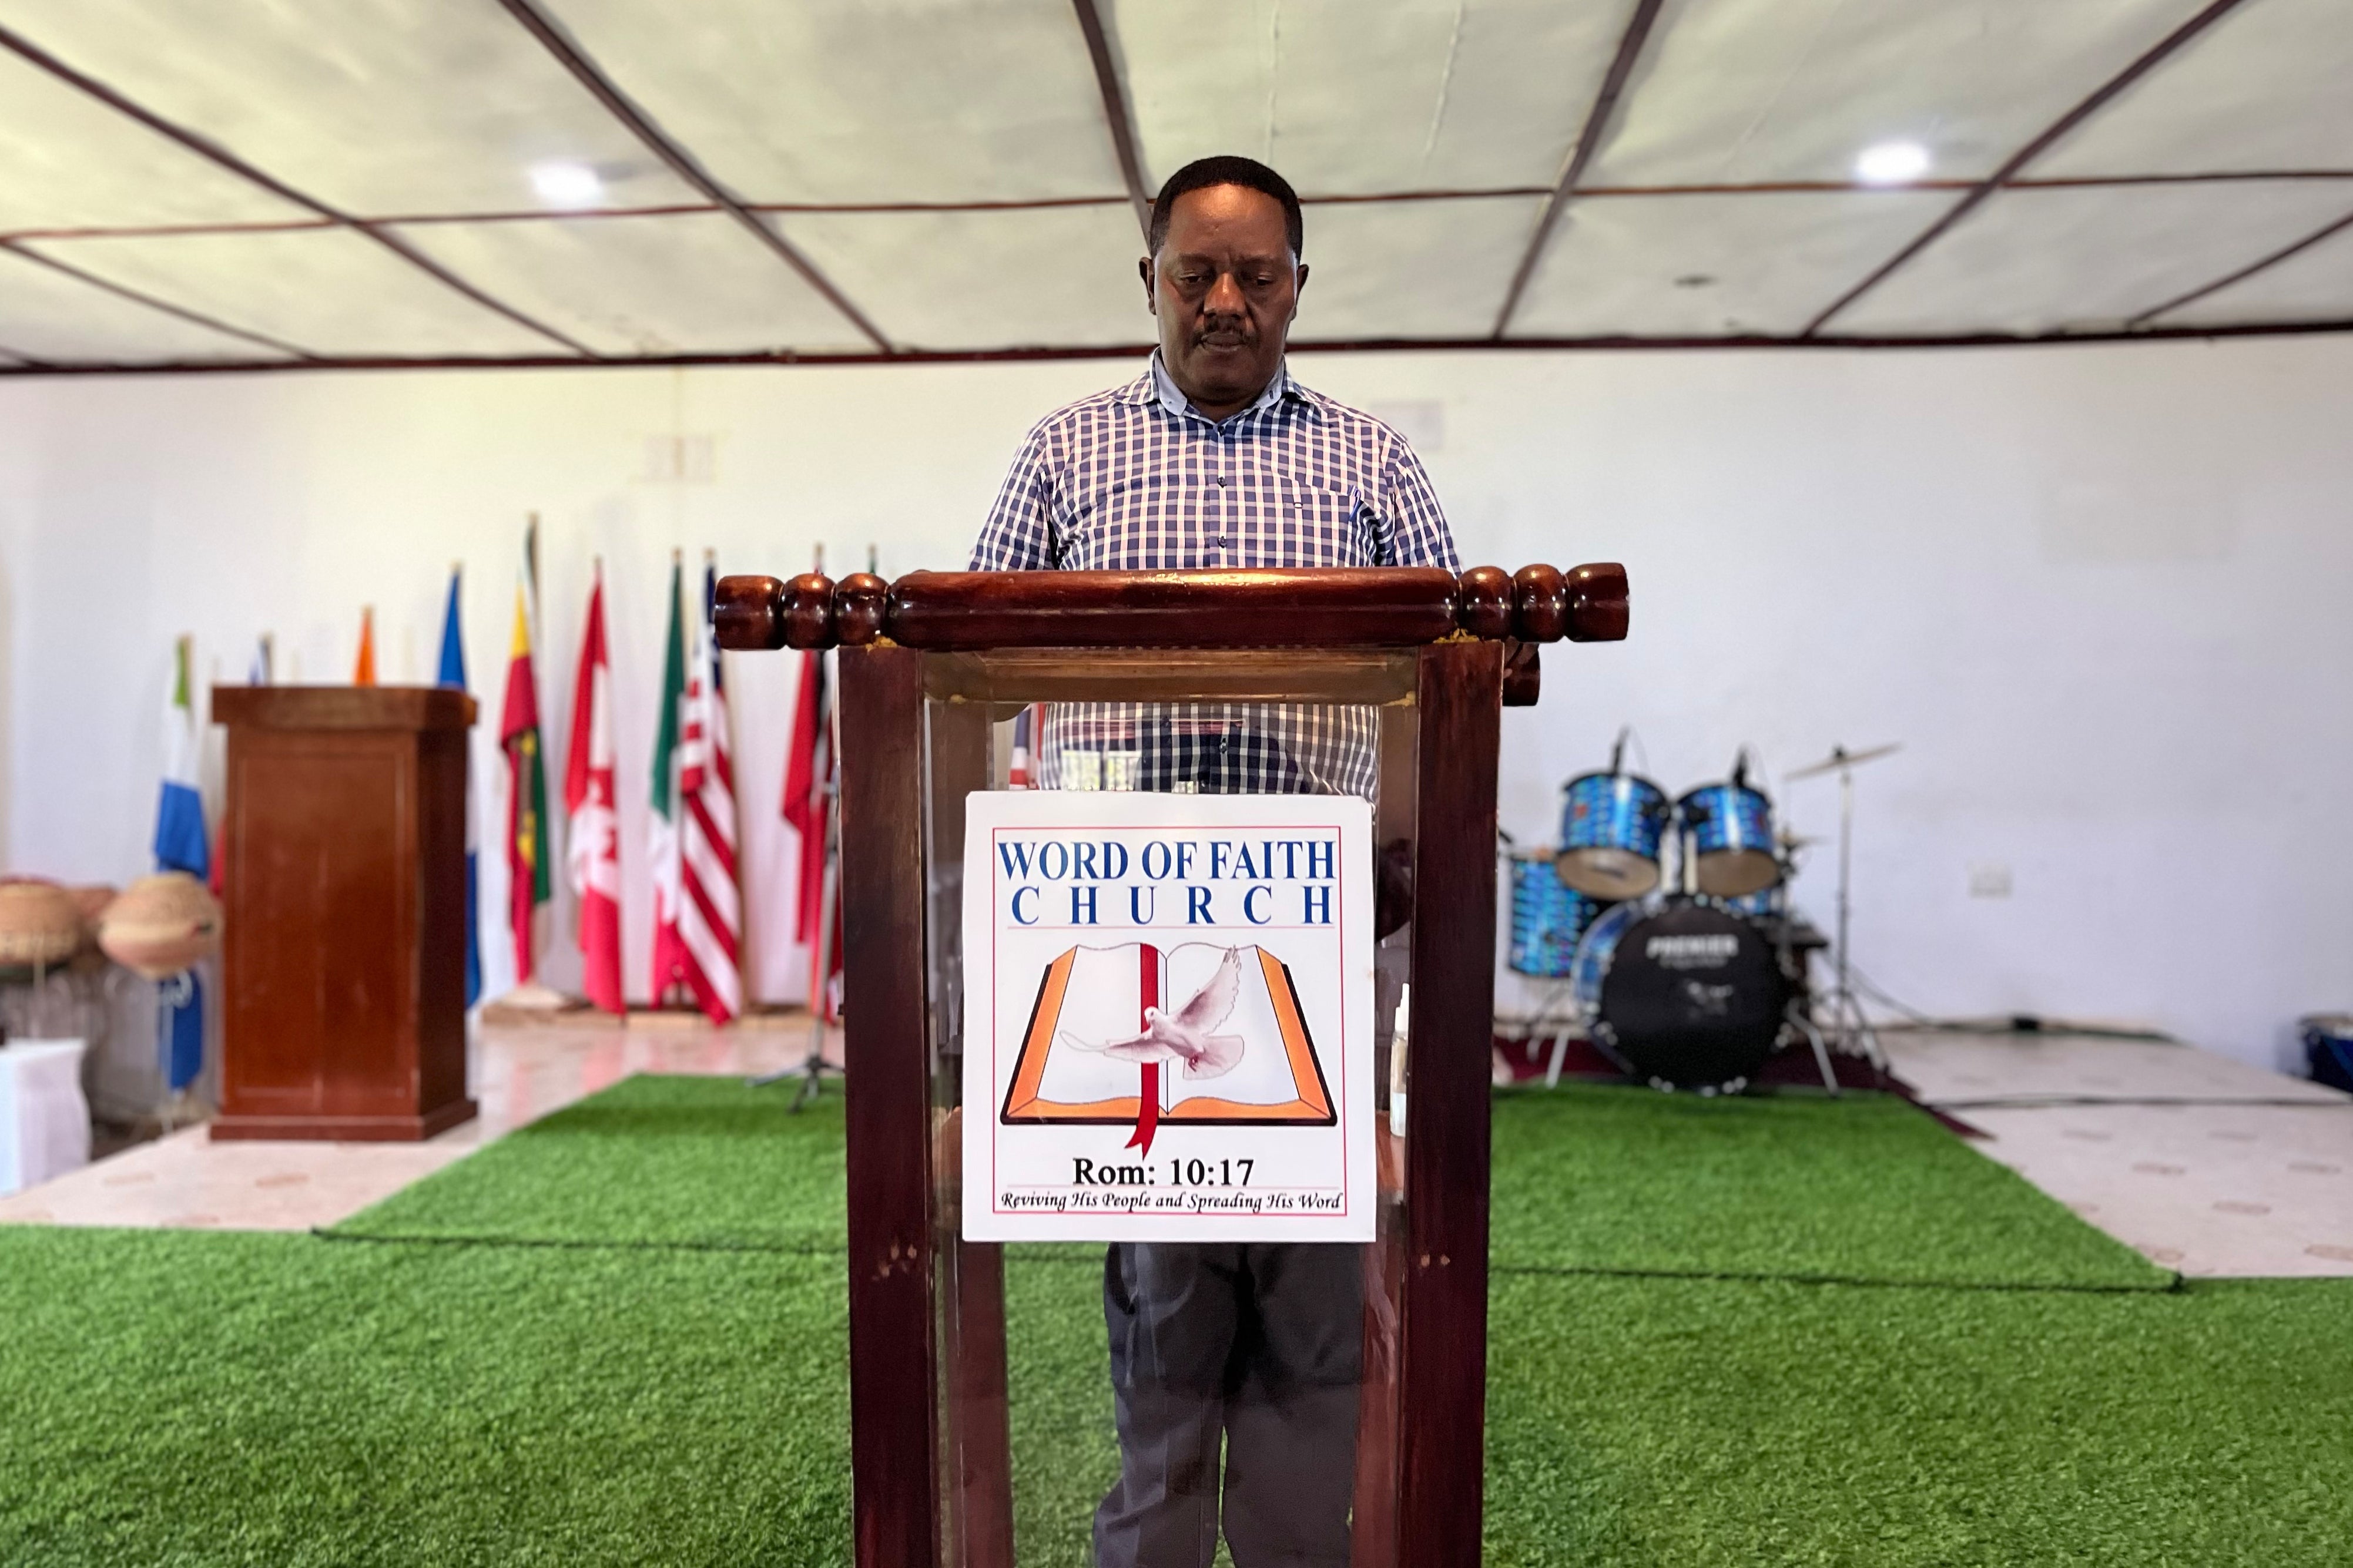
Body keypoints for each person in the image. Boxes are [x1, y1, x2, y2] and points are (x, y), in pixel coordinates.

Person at [968, 156, 1461, 1567]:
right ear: (1151, 285)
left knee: (1316, 1300)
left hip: (1323, 935)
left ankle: (1300, 1549)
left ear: (1301, 288)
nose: (1227, 301)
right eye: (1198, 273)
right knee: (1167, 1297)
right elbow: (968, 673)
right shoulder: (1065, 453)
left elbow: (1459, 674)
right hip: (1124, 938)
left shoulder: (1373, 462)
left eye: (1258, 275)